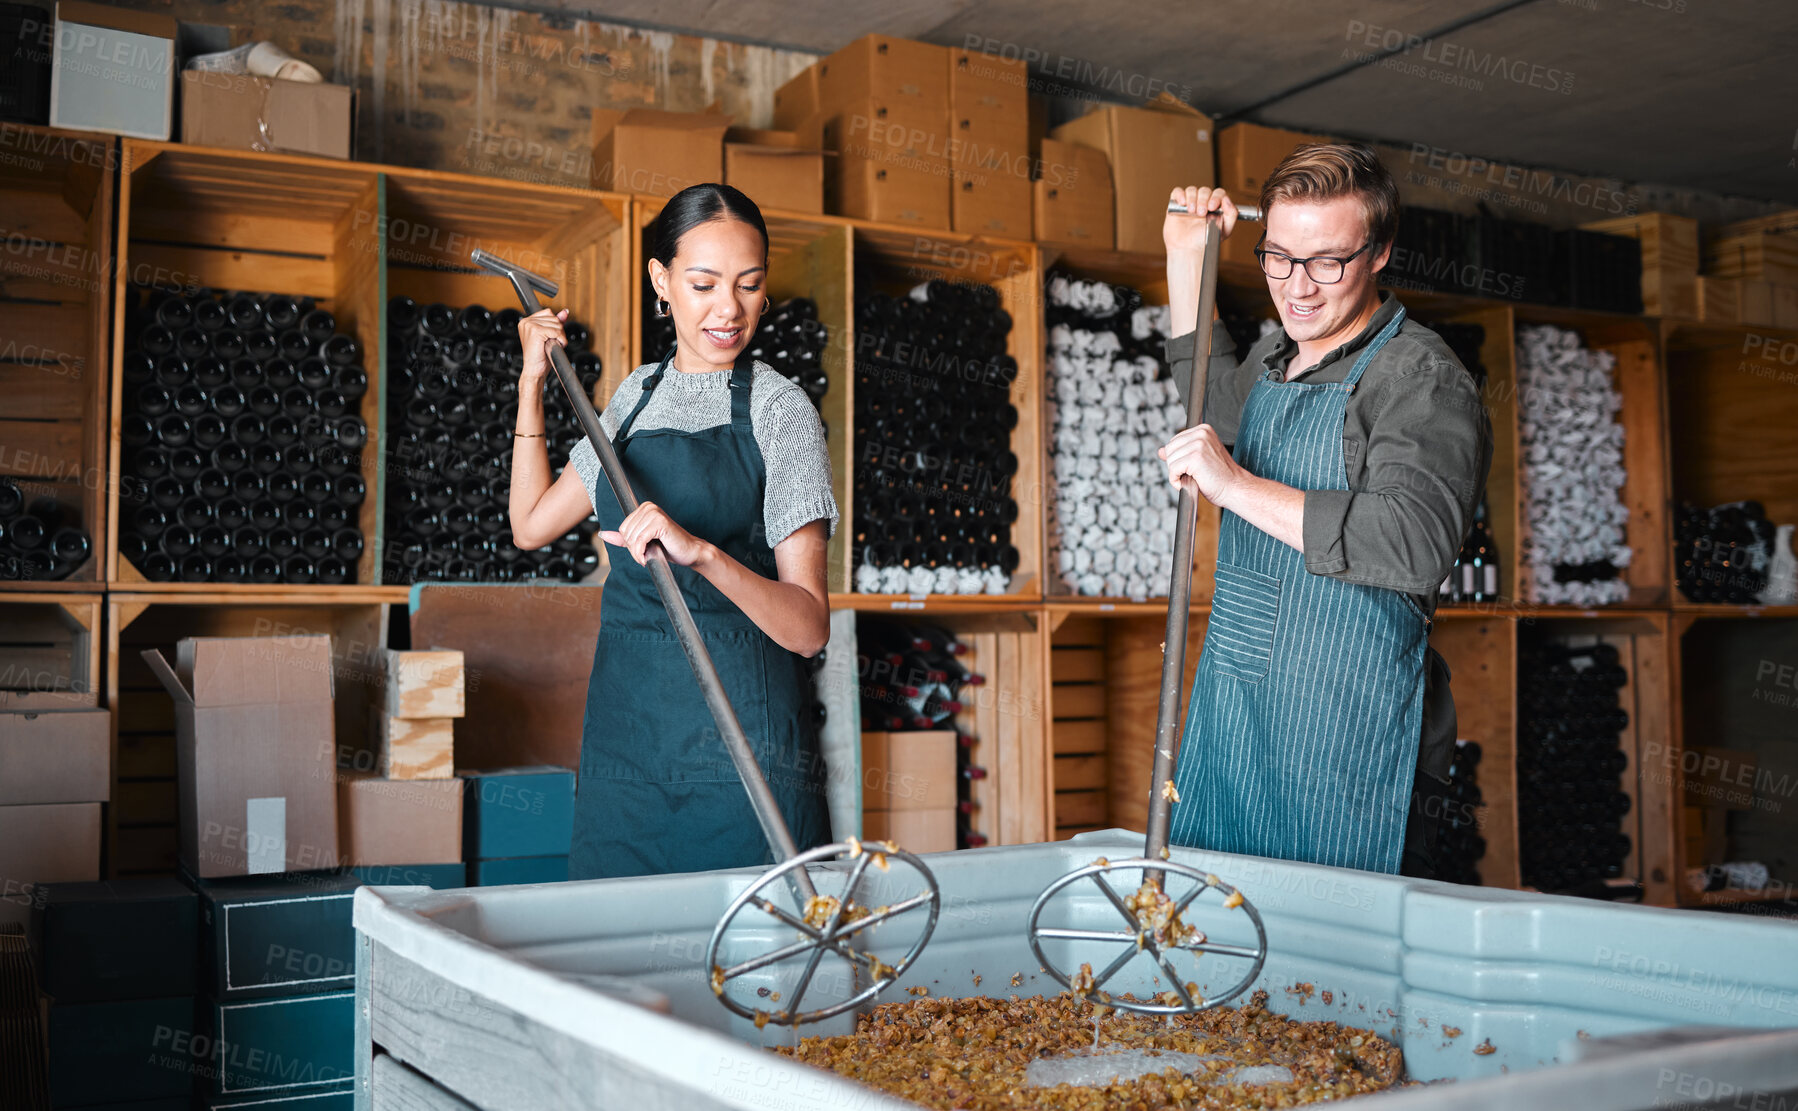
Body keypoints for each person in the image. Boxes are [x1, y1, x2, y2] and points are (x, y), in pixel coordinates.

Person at [1159, 144, 1493, 877]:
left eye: (1326, 262)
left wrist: (1236, 488)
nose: (1296, 288)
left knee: (1343, 978)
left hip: (1352, 740)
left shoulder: (1420, 379)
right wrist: (1187, 263)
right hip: (1243, 722)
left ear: (1379, 254)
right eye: (1277, 257)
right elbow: (1212, 419)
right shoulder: (1283, 351)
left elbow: (1413, 542)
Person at [506, 183, 836, 879]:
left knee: (752, 967)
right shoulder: (634, 396)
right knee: (618, 958)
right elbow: (532, 523)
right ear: (661, 281)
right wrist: (532, 381)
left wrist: (703, 553)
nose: (729, 309)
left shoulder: (782, 411)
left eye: (749, 285)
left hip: (742, 744)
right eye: (704, 283)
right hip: (629, 745)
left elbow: (808, 628)